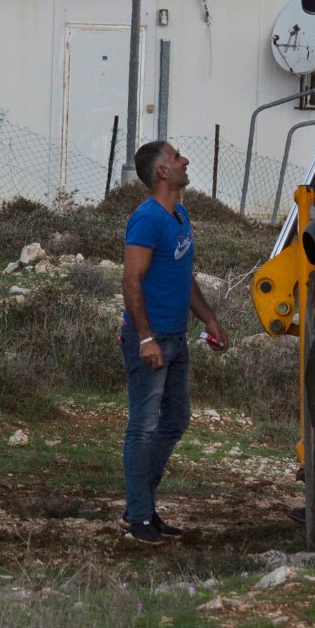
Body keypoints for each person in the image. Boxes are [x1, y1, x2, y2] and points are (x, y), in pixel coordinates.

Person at [119, 139, 226, 545]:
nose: (185, 161)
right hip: (152, 339)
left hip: (177, 338)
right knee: (143, 427)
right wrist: (145, 338)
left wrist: (210, 319)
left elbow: (184, 276)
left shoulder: (179, 214)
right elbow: (131, 283)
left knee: (175, 419)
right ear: (162, 172)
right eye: (177, 157)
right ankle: (138, 516)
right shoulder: (147, 219)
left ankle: (141, 504)